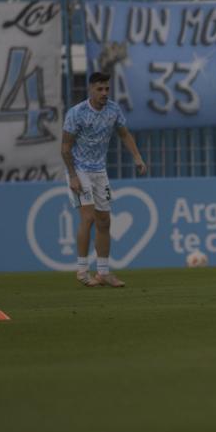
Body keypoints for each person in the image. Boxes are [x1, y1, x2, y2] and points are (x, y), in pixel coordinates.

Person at [61, 72, 146, 287]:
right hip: (79, 169)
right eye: (99, 89)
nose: (104, 93)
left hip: (100, 171)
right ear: (90, 90)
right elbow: (65, 147)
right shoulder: (77, 113)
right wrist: (72, 176)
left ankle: (103, 272)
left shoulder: (113, 110)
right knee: (88, 218)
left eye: (107, 89)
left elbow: (124, 134)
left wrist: (137, 156)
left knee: (104, 221)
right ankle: (82, 271)